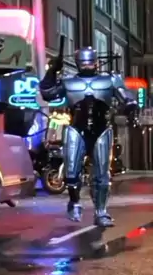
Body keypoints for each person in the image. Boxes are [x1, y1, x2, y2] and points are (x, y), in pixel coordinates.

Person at [39, 45, 137, 226]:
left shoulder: (110, 80)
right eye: (84, 62)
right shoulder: (69, 82)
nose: (87, 65)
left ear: (96, 63)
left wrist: (130, 107)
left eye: (90, 62)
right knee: (71, 173)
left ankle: (101, 212)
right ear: (78, 63)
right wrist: (52, 70)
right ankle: (74, 202)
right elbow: (47, 93)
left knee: (102, 174)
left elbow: (126, 97)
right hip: (77, 128)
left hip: (101, 129)